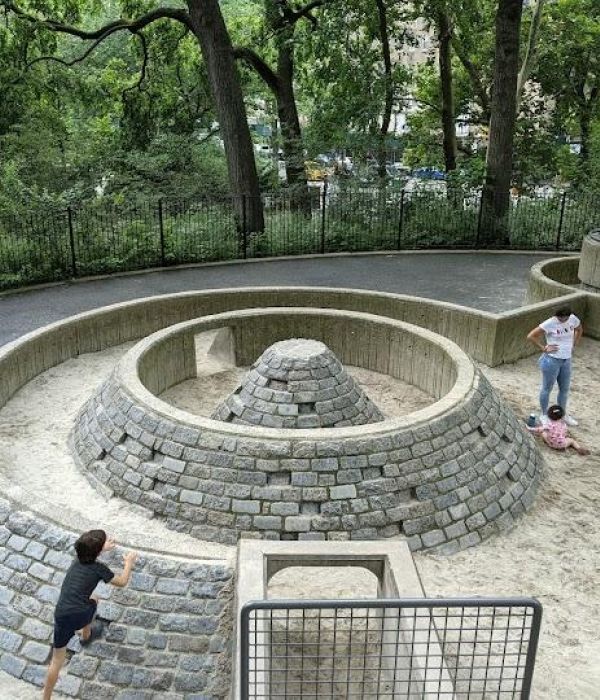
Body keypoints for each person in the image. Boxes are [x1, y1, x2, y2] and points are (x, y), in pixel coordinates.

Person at [43, 530, 138, 700]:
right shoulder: (99, 569)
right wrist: (128, 563)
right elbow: (122, 581)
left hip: (62, 614)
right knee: (94, 599)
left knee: (56, 661)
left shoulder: (76, 561)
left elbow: (89, 551)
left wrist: (102, 548)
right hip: (81, 614)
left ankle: (46, 698)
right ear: (97, 551)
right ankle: (86, 634)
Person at [526, 306, 582, 426]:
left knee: (564, 389)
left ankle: (563, 414)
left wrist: (574, 344)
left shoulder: (573, 319)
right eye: (560, 318)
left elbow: (579, 329)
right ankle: (544, 414)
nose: (562, 320)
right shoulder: (550, 323)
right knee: (547, 388)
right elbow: (531, 336)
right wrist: (543, 348)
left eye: (564, 318)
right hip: (551, 360)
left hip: (566, 360)